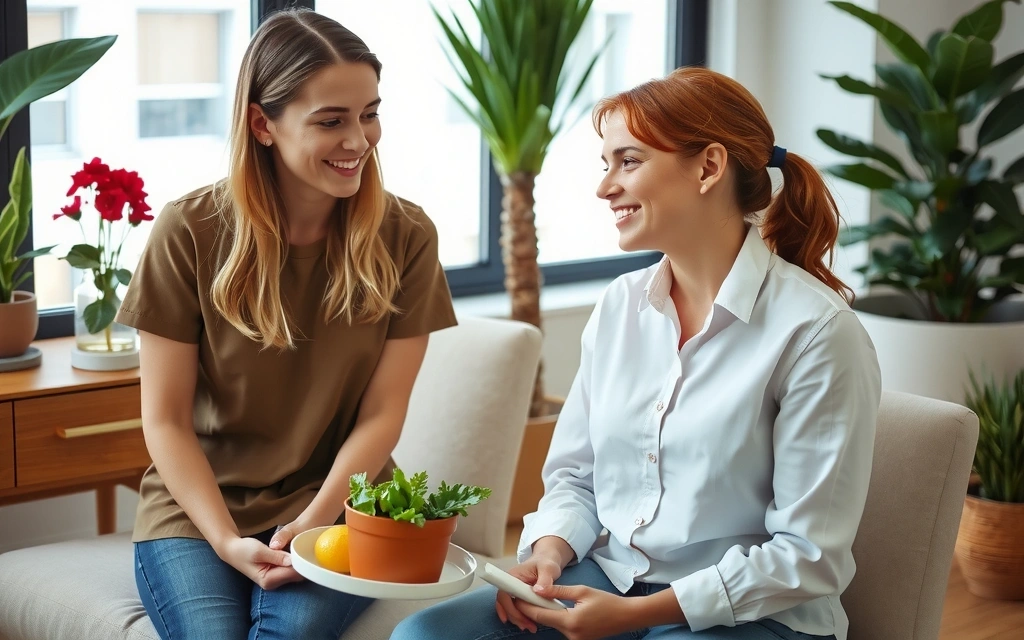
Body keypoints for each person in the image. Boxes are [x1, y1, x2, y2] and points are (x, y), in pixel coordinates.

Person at [391, 67, 881, 640]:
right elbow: (576, 475)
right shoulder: (621, 305)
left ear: (709, 167)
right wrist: (549, 552)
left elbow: (807, 556)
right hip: (612, 579)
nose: (604, 188)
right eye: (606, 165)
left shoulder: (817, 333)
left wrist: (641, 615)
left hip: (756, 615)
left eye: (629, 161)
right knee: (424, 636)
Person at [116, 8, 456, 640]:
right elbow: (163, 420)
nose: (358, 139)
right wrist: (224, 539)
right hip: (196, 513)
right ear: (261, 123)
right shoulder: (189, 232)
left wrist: (314, 520)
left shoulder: (406, 237)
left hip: (341, 506)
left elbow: (383, 412)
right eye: (331, 120)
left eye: (369, 113)